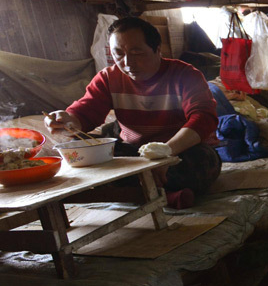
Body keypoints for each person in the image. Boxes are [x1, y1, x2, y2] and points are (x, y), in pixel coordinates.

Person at [46, 16, 220, 209]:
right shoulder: (108, 78)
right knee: (78, 149)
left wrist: (164, 154)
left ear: (157, 50)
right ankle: (165, 195)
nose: (127, 62)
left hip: (178, 151)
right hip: (134, 153)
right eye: (118, 54)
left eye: (137, 53)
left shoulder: (185, 75)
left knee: (203, 163)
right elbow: (85, 113)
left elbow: (204, 119)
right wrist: (66, 119)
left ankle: (141, 192)